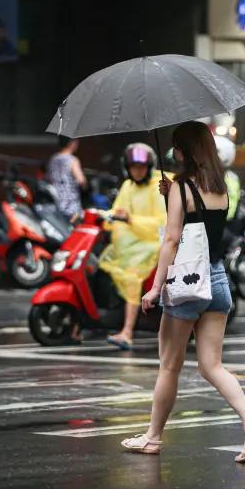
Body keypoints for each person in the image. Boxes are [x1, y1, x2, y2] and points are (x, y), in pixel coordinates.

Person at [122, 121, 245, 463]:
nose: (173, 152)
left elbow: (173, 239)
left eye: (176, 146)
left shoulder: (181, 186)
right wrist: (170, 195)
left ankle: (152, 437)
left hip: (187, 284)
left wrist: (156, 286)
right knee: (213, 365)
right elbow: (203, 225)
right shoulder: (220, 186)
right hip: (217, 280)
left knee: (169, 366)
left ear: (185, 151)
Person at [102, 143, 168, 350]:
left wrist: (131, 219)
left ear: (149, 167)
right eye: (133, 167)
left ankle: (127, 331)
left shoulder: (159, 186)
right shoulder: (127, 187)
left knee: (131, 275)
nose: (137, 171)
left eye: (141, 167)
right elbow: (115, 212)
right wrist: (95, 215)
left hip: (151, 245)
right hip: (130, 244)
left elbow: (162, 223)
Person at [46, 136, 87, 220]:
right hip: (70, 203)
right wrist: (85, 185)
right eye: (76, 141)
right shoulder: (72, 160)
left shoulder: (53, 159)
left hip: (56, 201)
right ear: (71, 143)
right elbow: (81, 180)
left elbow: (49, 178)